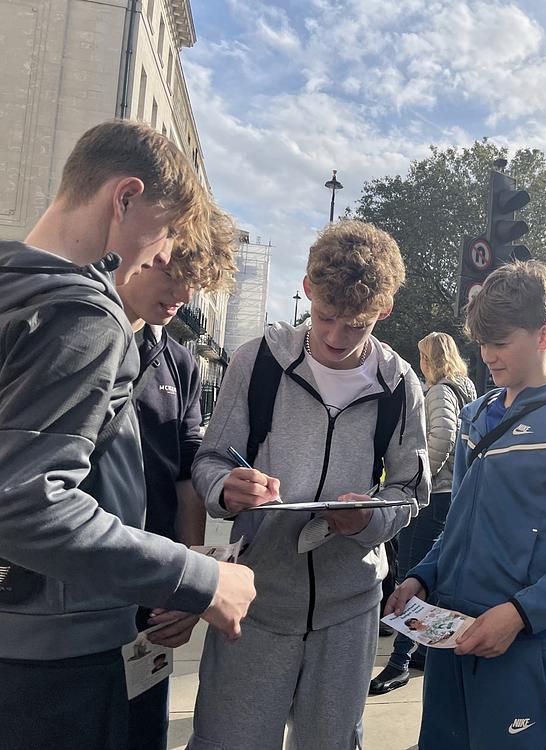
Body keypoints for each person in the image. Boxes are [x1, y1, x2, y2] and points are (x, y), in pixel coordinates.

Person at [0, 120, 255, 750]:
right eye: (165, 232)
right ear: (124, 198)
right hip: (59, 655)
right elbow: (29, 501)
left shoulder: (18, 286)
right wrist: (199, 580)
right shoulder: (86, 314)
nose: (161, 253)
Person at [188, 220, 430, 750]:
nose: (335, 336)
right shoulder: (257, 362)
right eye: (325, 316)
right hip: (254, 602)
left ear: (383, 311)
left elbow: (410, 491)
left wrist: (370, 519)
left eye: (356, 324)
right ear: (306, 290)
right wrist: (227, 487)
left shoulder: (400, 383)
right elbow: (206, 461)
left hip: (350, 609)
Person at [388, 260, 546, 750]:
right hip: (450, 635)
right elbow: (456, 527)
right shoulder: (477, 416)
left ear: (543, 336)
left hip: (519, 647)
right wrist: (421, 577)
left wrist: (518, 615)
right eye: (482, 342)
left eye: (501, 341)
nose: (488, 354)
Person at [118, 206, 238, 750]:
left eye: (196, 283)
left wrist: (190, 581)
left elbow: (188, 477)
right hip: (68, 586)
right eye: (174, 273)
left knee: (144, 729)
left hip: (153, 586)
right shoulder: (79, 331)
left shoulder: (181, 363)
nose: (184, 295)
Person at [371, 331, 477, 694]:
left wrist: (419, 479)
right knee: (434, 578)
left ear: (430, 360)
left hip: (434, 496)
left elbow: (442, 437)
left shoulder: (440, 391)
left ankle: (399, 661)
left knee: (409, 578)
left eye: (422, 358)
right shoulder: (467, 391)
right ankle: (418, 652)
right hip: (454, 495)